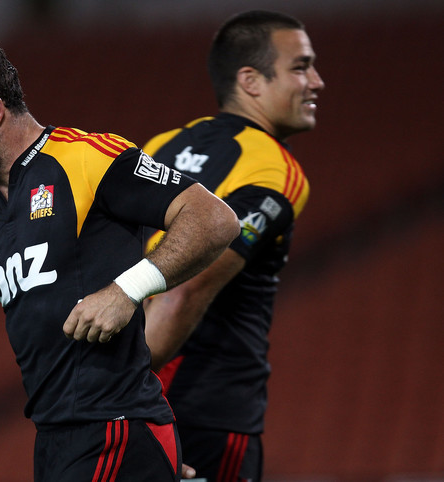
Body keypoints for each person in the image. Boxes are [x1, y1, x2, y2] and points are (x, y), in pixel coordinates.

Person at [0, 33, 240, 482]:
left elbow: (215, 219)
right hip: (57, 439)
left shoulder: (86, 159)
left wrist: (127, 290)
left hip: (114, 426)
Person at [142, 10, 325, 482]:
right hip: (208, 416)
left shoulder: (160, 147)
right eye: (301, 67)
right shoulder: (275, 170)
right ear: (251, 81)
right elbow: (185, 291)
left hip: (136, 409)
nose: (317, 82)